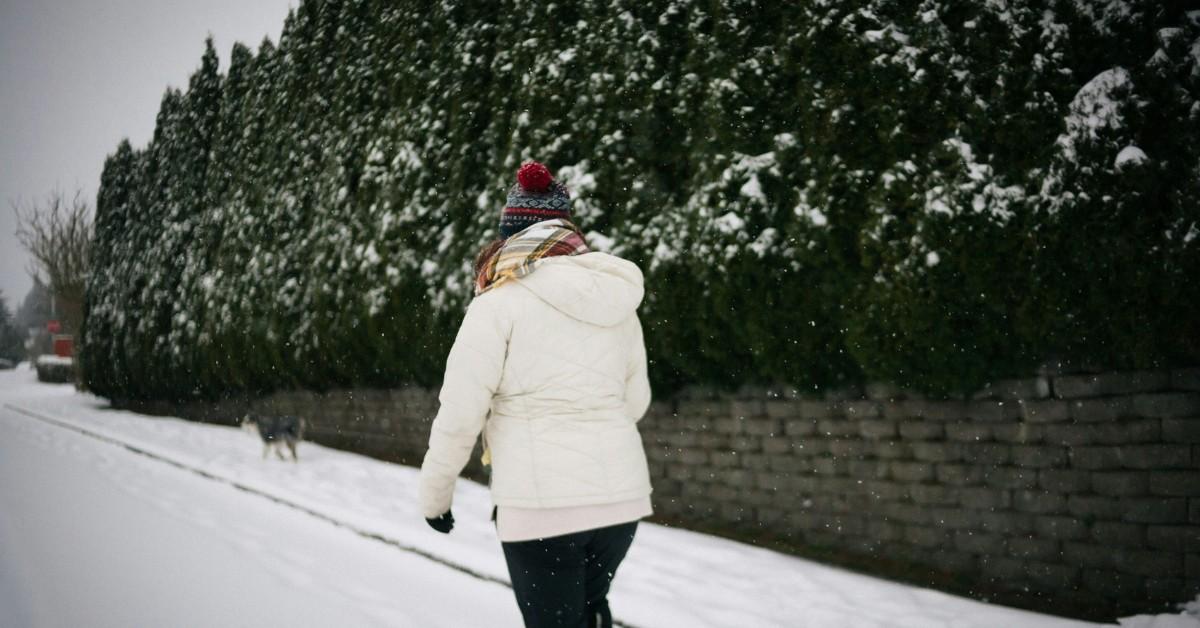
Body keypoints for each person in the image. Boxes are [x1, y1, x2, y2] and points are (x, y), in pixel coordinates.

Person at [418, 161, 653, 628]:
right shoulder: (616, 303)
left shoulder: (496, 304)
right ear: (566, 230)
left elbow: (460, 415)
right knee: (587, 611)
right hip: (622, 504)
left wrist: (435, 498)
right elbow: (636, 401)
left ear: (509, 234)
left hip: (539, 510)